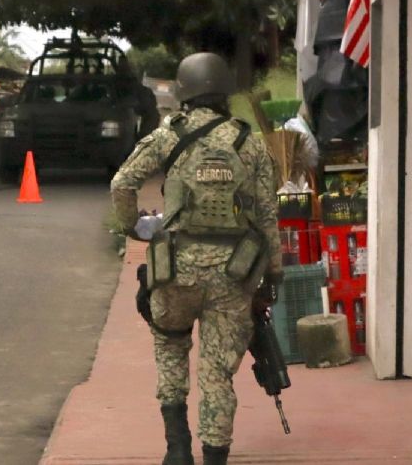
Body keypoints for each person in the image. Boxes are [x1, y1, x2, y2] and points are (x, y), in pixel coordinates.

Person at [110, 52, 283, 465]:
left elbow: (122, 183)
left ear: (184, 91)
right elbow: (266, 215)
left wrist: (133, 226)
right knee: (217, 375)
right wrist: (273, 274)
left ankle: (177, 450)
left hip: (176, 269)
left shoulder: (169, 136)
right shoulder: (249, 142)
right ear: (224, 91)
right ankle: (214, 459)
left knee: (170, 346)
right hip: (233, 274)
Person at [116, 57, 161, 140]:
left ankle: (144, 142)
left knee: (153, 114)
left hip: (126, 113)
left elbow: (149, 107)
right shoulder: (112, 80)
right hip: (112, 112)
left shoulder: (134, 84)